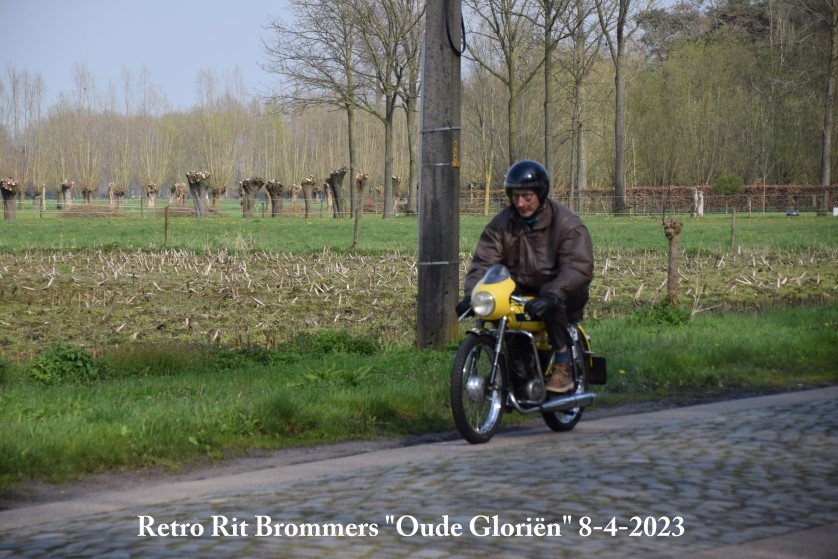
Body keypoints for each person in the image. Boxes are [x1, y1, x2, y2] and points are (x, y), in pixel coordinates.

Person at [457, 160, 594, 393]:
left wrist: (554, 294)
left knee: (551, 295)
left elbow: (578, 267)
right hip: (521, 290)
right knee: (496, 306)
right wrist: (473, 295)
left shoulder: (567, 224)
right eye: (516, 196)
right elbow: (484, 263)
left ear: (540, 194)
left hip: (563, 291)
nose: (520, 203)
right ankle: (518, 365)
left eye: (527, 196)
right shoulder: (502, 224)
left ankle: (563, 365)